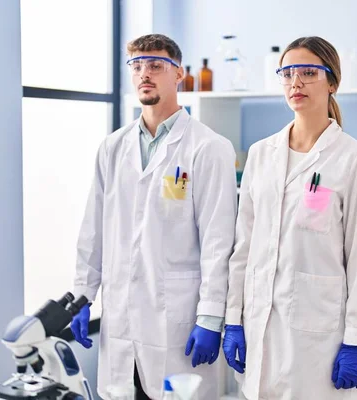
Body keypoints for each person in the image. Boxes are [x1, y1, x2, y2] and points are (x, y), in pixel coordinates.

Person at [70, 34, 237, 400]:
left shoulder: (209, 147)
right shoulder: (112, 147)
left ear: (179, 75)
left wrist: (210, 316)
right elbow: (93, 228)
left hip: (176, 322)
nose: (145, 73)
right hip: (122, 319)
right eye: (137, 66)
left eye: (156, 66)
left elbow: (218, 241)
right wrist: (82, 295)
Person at [222, 36, 357, 399]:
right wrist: (233, 319)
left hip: (318, 339)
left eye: (309, 72)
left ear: (333, 83)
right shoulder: (261, 154)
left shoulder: (353, 158)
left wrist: (356, 338)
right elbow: (243, 245)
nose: (296, 82)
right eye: (287, 73)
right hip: (258, 326)